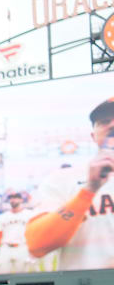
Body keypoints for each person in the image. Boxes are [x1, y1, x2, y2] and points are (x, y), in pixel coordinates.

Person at [26, 97, 114, 270]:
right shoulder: (63, 179)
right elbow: (37, 244)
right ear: (93, 136)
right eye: (104, 121)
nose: (112, 125)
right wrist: (89, 190)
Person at [0, 192, 33, 273]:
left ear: (21, 200)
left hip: (22, 247)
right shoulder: (3, 216)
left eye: (16, 197)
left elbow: (34, 233)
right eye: (11, 198)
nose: (13, 200)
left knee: (23, 275)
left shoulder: (29, 214)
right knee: (2, 275)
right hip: (5, 248)